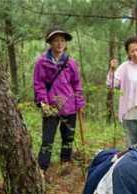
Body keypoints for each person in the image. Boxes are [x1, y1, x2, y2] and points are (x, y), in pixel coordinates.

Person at [33, 27, 85, 174]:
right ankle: (42, 169)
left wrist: (79, 103)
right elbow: (39, 84)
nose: (59, 43)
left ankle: (65, 164)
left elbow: (77, 84)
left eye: (62, 40)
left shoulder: (71, 62)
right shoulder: (42, 62)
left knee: (68, 138)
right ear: (50, 43)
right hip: (51, 107)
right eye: (56, 40)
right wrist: (44, 101)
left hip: (70, 106)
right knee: (47, 140)